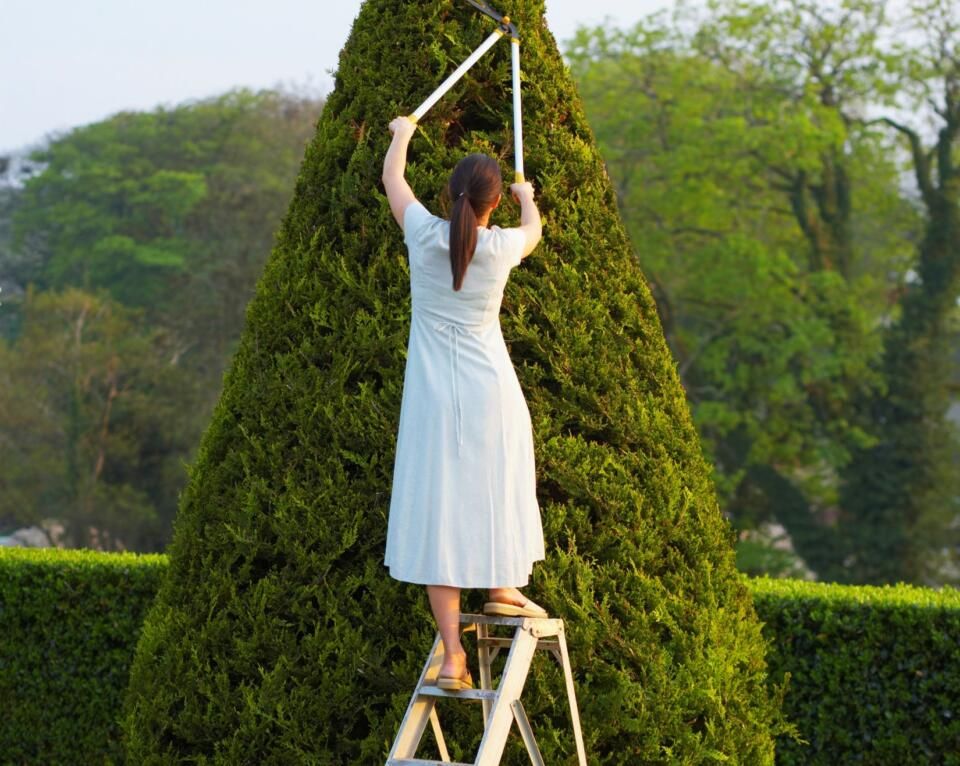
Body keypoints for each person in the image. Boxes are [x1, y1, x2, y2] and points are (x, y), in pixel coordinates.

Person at [381, 115, 547, 691]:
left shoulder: (423, 235)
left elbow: (393, 181)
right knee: (497, 488)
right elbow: (535, 231)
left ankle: (453, 657)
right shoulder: (500, 247)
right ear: (492, 203)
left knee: (441, 513)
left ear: (451, 194)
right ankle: (502, 585)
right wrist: (527, 199)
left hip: (433, 401)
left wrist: (403, 134)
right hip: (491, 394)